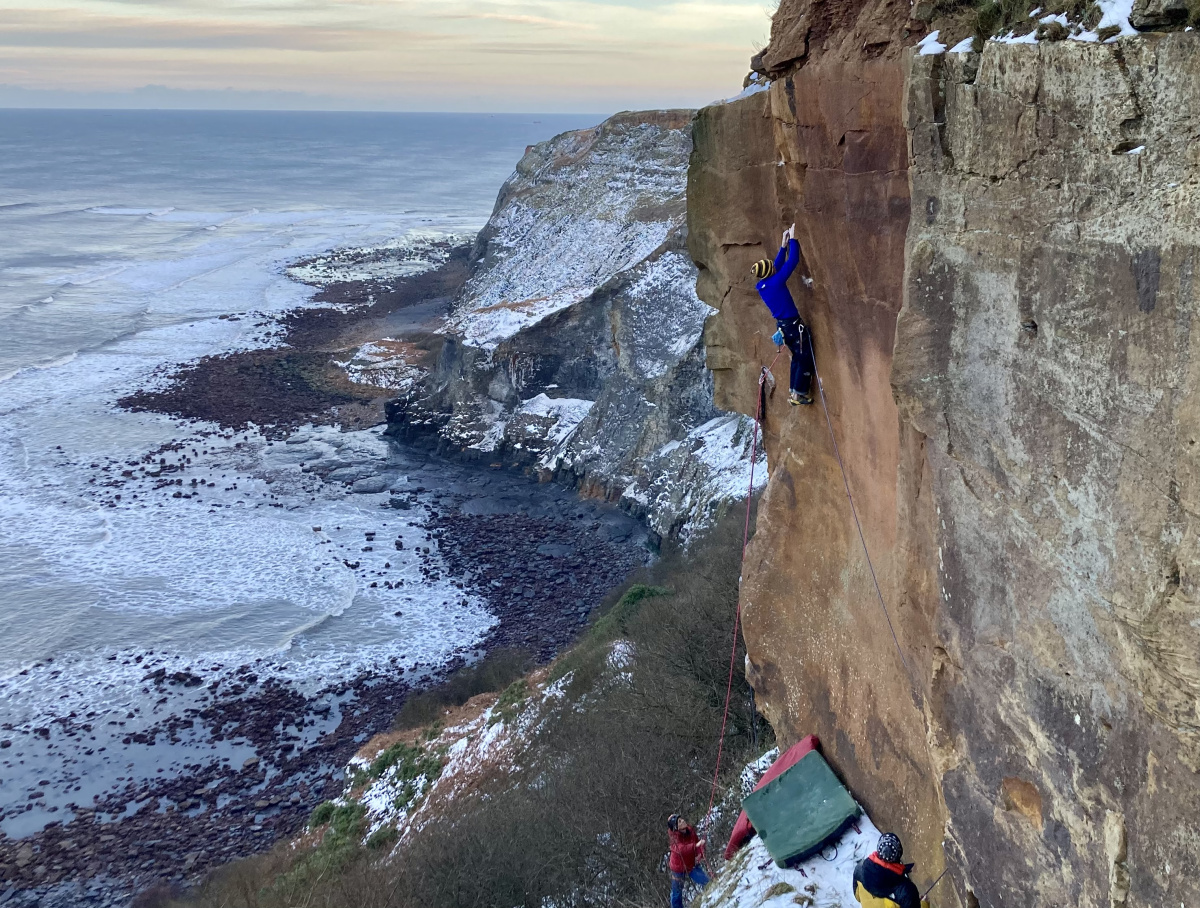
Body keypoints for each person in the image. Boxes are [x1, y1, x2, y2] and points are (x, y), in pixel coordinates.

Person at [752, 224, 815, 405]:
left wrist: (783, 245)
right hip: (793, 326)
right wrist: (793, 240)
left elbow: (776, 266)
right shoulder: (776, 282)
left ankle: (793, 390)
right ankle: (799, 394)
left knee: (797, 356)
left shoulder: (763, 285)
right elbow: (792, 261)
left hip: (784, 327)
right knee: (804, 357)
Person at [852, 832, 925, 908]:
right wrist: (922, 904)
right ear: (899, 853)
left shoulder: (859, 869)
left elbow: (858, 897)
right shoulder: (906, 892)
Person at [667, 814, 709, 908]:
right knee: (677, 893)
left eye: (682, 819)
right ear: (676, 828)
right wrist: (695, 846)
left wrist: (699, 853)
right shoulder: (674, 838)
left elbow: (697, 841)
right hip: (678, 868)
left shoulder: (689, 830)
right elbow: (681, 849)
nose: (683, 821)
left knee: (706, 882)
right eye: (679, 822)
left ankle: (712, 895)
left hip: (691, 864)